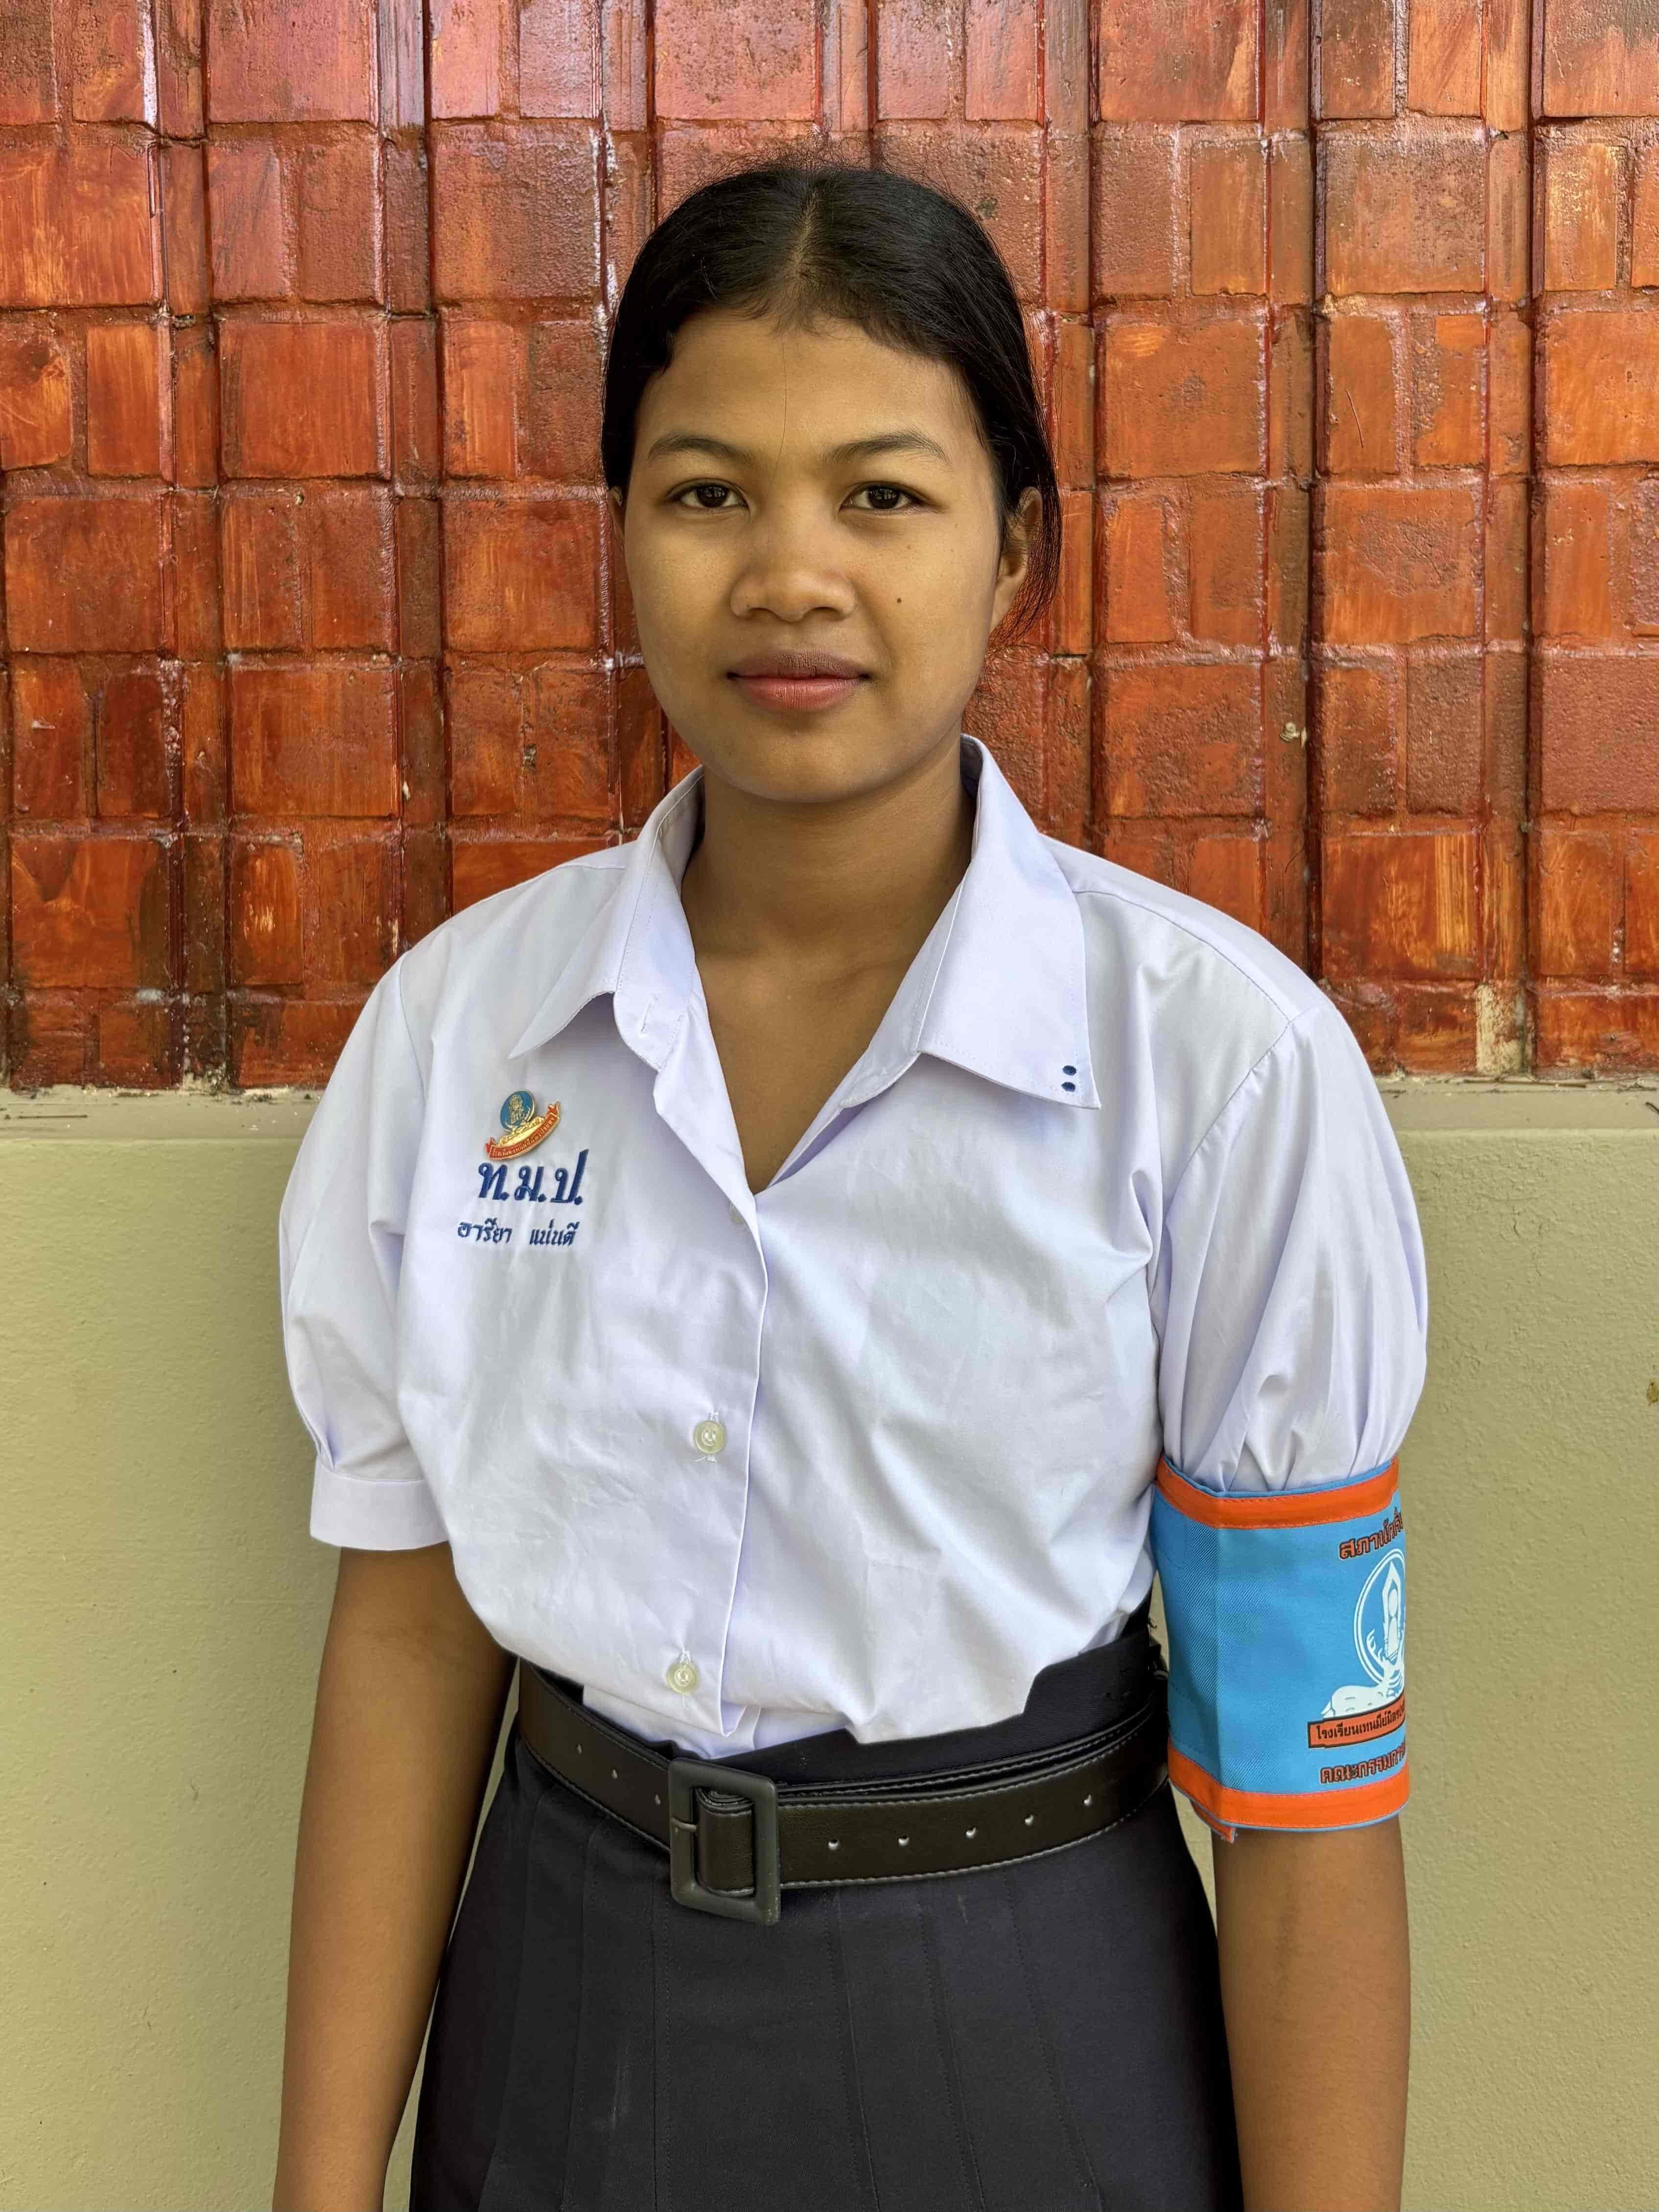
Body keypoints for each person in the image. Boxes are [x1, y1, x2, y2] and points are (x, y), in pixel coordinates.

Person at [271, 161, 1428, 2212]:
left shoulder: (1216, 1065)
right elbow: (412, 1633)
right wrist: (316, 2179)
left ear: (1017, 551)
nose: (789, 574)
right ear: (621, 531)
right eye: (707, 492)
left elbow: (1305, 1803)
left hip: (1025, 2002)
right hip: (562, 1991)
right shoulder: (461, 1037)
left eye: (881, 494)